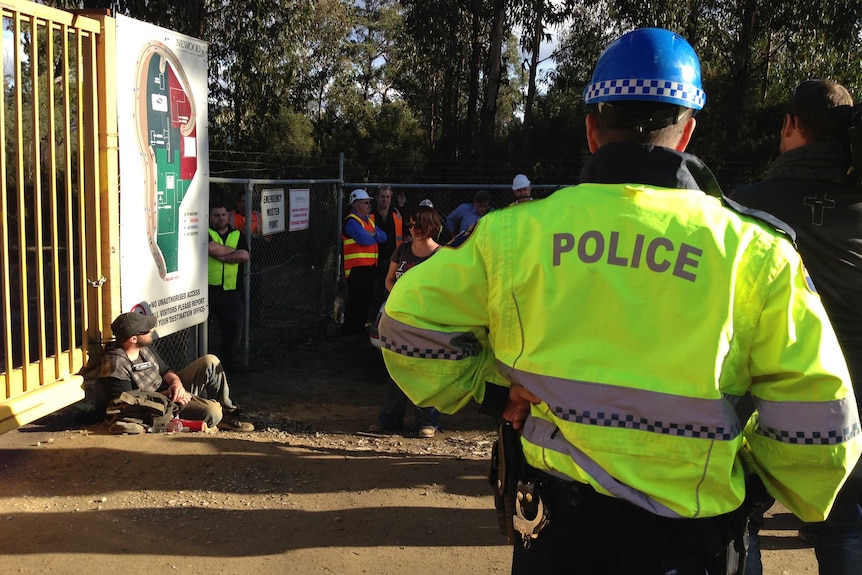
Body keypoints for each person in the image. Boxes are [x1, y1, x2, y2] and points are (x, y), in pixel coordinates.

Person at [378, 27, 862, 575]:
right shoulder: (756, 250)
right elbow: (822, 425)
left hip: (556, 540)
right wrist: (750, 483)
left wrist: (492, 391)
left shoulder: (511, 235)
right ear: (687, 135)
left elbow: (403, 325)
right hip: (698, 542)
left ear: (590, 130)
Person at [730, 79, 862, 575]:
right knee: (844, 522)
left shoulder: (745, 204)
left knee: (742, 516)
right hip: (851, 399)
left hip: (764, 398)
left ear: (789, 125)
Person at [99, 312, 254, 431]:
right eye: (146, 330)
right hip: (158, 407)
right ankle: (217, 416)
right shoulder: (116, 365)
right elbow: (127, 405)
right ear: (133, 339)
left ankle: (229, 414)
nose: (152, 329)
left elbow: (166, 371)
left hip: (170, 392)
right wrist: (171, 395)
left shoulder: (144, 347)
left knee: (210, 361)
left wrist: (176, 383)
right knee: (213, 412)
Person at [371, 204, 442, 438]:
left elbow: (447, 289)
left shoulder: (442, 255)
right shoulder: (402, 251)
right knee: (397, 369)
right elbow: (389, 280)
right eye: (410, 225)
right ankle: (390, 419)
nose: (412, 229)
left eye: (417, 225)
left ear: (430, 226)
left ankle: (427, 421)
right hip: (400, 320)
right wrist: (400, 297)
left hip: (428, 321)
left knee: (425, 371)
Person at [208, 199, 250, 371]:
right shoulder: (206, 233)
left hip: (232, 292)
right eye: (216, 215)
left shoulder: (237, 234)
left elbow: (245, 255)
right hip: (209, 290)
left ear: (228, 216)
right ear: (210, 217)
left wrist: (222, 255)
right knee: (206, 331)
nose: (221, 218)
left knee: (232, 330)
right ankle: (206, 365)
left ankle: (228, 366)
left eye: (223, 215)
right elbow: (211, 248)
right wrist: (232, 255)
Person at [342, 188, 387, 336]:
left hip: (369, 268)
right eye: (366, 203)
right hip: (356, 270)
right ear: (356, 205)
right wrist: (372, 235)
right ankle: (349, 332)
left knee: (366, 300)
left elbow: (383, 237)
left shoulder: (368, 222)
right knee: (355, 301)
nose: (369, 205)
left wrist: (371, 234)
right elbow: (364, 240)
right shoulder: (351, 222)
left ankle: (359, 329)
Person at [369, 185, 404, 325]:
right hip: (375, 260)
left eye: (388, 197)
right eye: (382, 196)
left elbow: (406, 233)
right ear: (377, 198)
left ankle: (393, 320)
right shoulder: (370, 215)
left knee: (394, 291)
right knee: (375, 292)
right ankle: (373, 321)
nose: (385, 200)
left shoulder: (397, 214)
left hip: (394, 259)